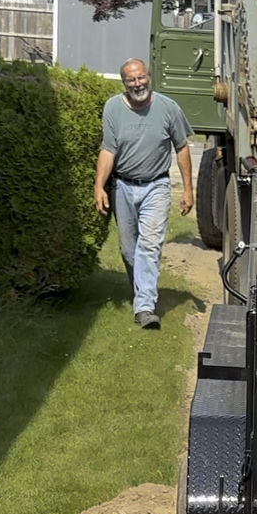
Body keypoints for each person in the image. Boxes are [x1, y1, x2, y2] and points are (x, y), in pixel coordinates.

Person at [94, 59, 194, 330]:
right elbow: (108, 150)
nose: (138, 84)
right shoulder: (113, 108)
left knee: (148, 246)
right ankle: (142, 291)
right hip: (123, 186)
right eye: (131, 80)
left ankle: (145, 308)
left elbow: (182, 147)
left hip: (157, 186)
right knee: (129, 250)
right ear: (124, 84)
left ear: (149, 77)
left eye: (141, 78)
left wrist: (188, 189)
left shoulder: (168, 108)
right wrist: (99, 185)